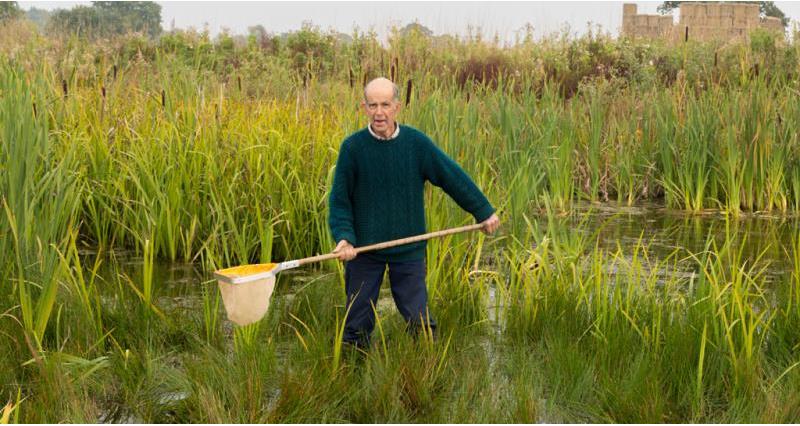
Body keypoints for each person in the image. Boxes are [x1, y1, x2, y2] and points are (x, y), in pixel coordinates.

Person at [328, 77, 500, 349]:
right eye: (372, 105)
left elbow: (451, 176)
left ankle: (427, 375)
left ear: (397, 106)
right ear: (364, 107)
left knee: (421, 324)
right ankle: (352, 377)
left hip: (408, 250)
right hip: (364, 251)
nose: (379, 112)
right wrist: (345, 238)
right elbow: (339, 201)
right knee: (356, 327)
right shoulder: (353, 148)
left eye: (385, 104)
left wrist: (483, 211)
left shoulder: (416, 144)